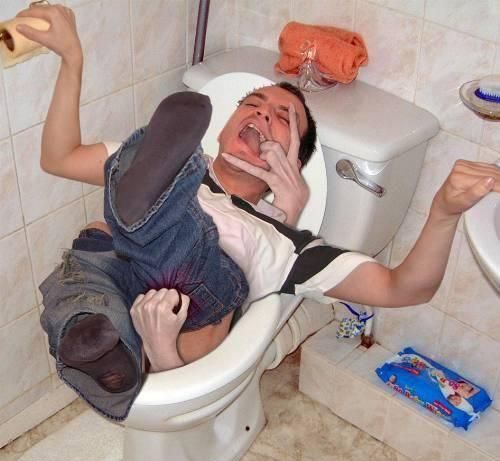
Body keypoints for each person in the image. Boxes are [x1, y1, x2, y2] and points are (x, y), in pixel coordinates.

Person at [16, 4, 500, 421]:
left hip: (188, 307)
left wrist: (444, 211)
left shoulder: (286, 244)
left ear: (294, 160)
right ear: (225, 125)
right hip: (120, 275)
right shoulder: (173, 160)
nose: (263, 113)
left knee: (196, 241)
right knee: (84, 272)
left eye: (283, 118)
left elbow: (403, 288)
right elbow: (59, 159)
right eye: (252, 103)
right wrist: (72, 60)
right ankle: (109, 357)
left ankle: (150, 229)